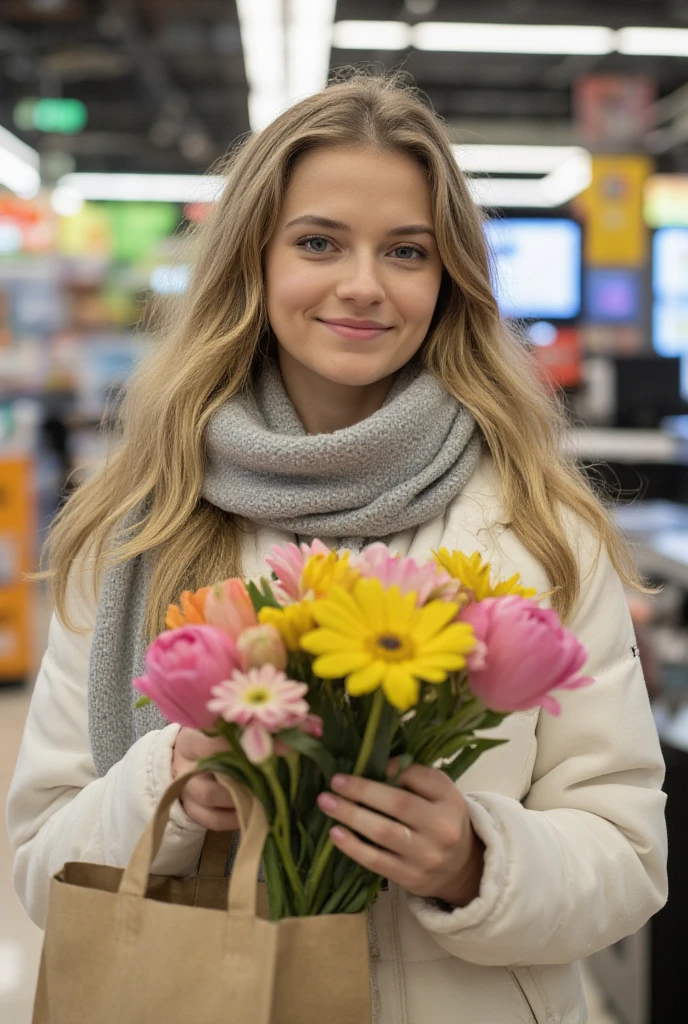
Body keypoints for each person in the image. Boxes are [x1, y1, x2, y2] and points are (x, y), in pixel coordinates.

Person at [6, 74, 667, 1023]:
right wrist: (173, 786)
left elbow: (629, 855)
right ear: (254, 262)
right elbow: (41, 869)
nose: (363, 285)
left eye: (406, 251)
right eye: (318, 243)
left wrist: (476, 860)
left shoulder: (540, 530)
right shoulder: (139, 528)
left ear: (448, 283)